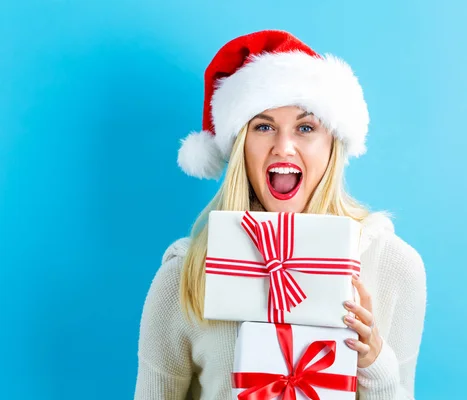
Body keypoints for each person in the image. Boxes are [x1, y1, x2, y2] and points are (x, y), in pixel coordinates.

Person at [134, 30, 427, 400]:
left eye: (306, 128)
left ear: (332, 145)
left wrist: (373, 362)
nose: (283, 147)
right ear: (242, 145)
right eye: (264, 126)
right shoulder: (186, 272)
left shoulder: (393, 265)